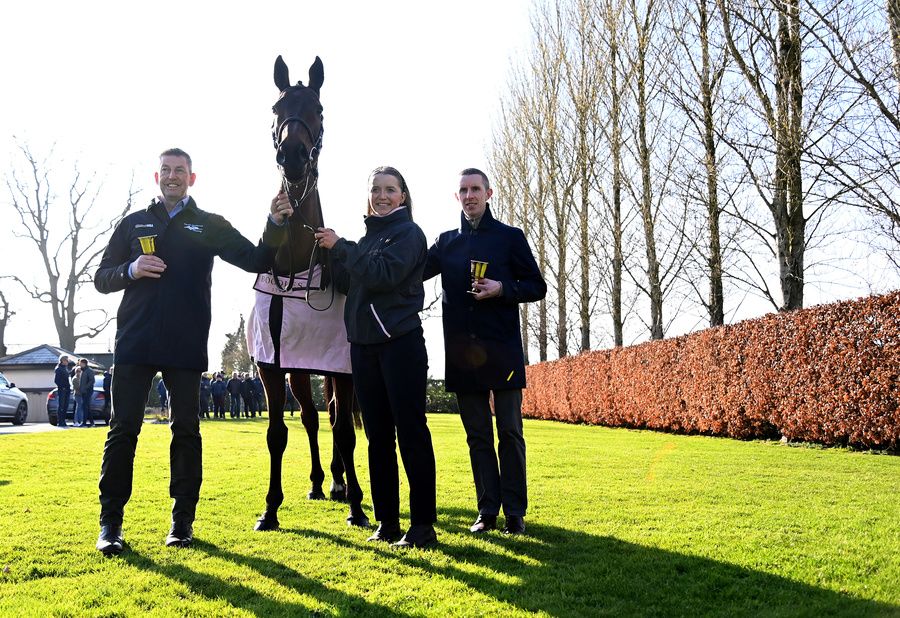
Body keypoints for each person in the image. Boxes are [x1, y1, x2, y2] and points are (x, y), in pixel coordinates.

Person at [92, 147, 293, 555]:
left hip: (185, 344)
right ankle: (110, 525)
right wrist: (130, 270)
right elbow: (100, 277)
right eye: (165, 170)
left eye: (179, 170)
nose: (172, 176)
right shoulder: (133, 223)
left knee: (185, 431)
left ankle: (182, 523)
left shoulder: (209, 224)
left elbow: (256, 259)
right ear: (157, 176)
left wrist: (273, 223)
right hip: (134, 341)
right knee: (122, 431)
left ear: (191, 178)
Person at [315, 166, 437, 549]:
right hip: (363, 348)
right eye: (376, 190)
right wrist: (331, 257)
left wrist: (343, 248)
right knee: (378, 438)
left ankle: (422, 526)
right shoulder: (366, 239)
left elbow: (384, 275)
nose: (382, 196)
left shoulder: (410, 235)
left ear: (403, 196)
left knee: (411, 434)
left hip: (400, 345)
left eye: (390, 189)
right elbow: (351, 284)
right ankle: (387, 521)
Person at [423, 168, 546, 536]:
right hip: (462, 353)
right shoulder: (445, 244)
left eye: (476, 188)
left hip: (503, 350)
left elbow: (537, 286)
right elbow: (408, 272)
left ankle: (515, 512)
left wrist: (502, 288)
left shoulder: (510, 238)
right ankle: (487, 511)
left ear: (489, 193)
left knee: (509, 431)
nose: (470, 194)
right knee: (477, 435)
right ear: (456, 197)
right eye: (463, 189)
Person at [54, 354, 71, 428]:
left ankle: (63, 420)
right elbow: (56, 380)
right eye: (66, 360)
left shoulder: (65, 368)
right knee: (61, 406)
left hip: (67, 389)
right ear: (62, 361)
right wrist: (62, 387)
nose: (67, 362)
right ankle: (60, 421)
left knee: (65, 406)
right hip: (62, 390)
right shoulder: (59, 369)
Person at [79, 358, 96, 427]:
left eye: (80, 363)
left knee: (85, 407)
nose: (79, 365)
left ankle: (84, 423)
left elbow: (92, 381)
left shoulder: (89, 371)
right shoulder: (83, 371)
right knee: (87, 407)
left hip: (87, 391)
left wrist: (85, 388)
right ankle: (92, 423)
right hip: (83, 392)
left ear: (84, 363)